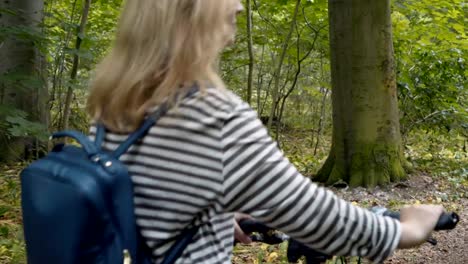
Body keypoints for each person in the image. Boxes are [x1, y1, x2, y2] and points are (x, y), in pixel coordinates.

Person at [86, 0, 443, 263]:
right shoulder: (211, 116)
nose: (239, 7)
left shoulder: (114, 107)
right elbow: (317, 217)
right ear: (190, 10)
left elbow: (149, 206)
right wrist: (407, 230)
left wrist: (213, 218)